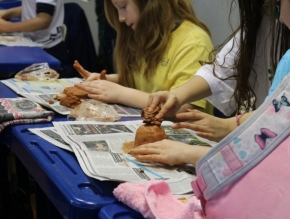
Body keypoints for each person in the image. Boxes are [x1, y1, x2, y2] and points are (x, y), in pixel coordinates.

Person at [129, 0, 290, 166]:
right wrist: (177, 95)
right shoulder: (267, 22)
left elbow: (275, 122)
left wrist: (227, 128)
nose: (281, 18)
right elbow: (224, 70)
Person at [74, 0, 214, 115]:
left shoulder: (194, 42)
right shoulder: (145, 35)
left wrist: (120, 93)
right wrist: (109, 81)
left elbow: (186, 108)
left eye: (123, 7)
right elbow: (145, 79)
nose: (121, 18)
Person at [0, 0, 66, 74]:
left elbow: (44, 21)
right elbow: (32, 8)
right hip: (32, 43)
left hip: (46, 51)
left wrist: (8, 27)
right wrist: (6, 13)